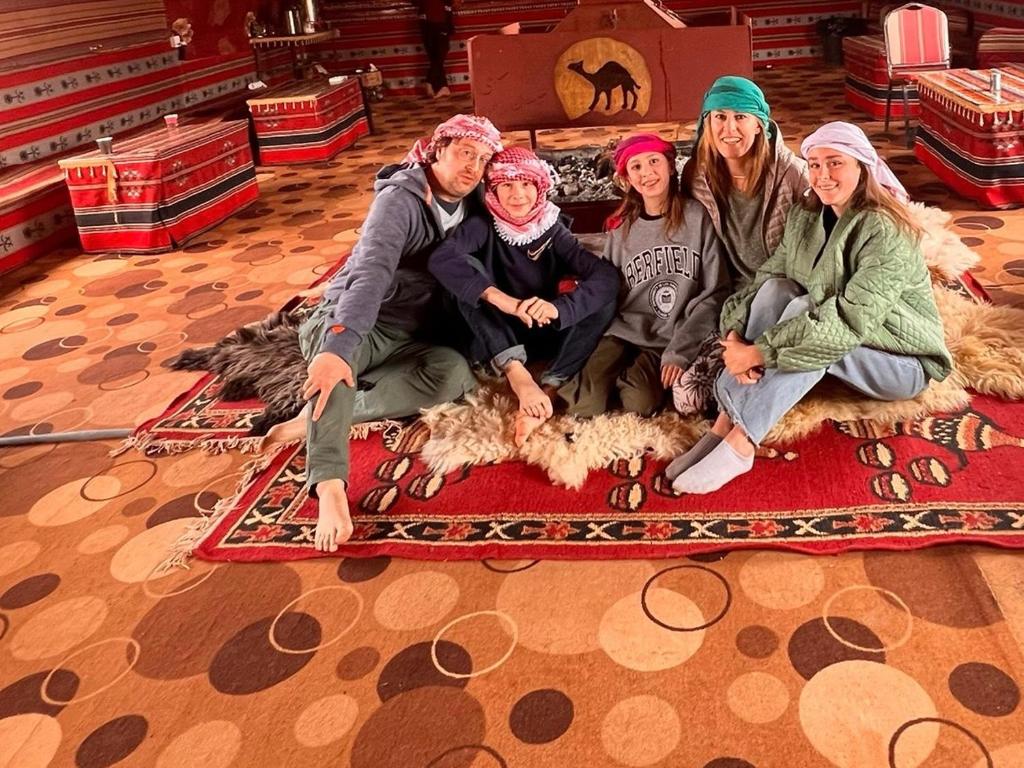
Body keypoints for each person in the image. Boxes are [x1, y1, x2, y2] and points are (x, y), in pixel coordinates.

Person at [668, 122, 953, 494]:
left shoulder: (886, 231)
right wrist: (735, 335)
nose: (822, 175)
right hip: (839, 331)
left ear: (862, 167)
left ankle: (742, 443)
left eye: (835, 163)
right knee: (776, 291)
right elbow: (767, 276)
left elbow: (847, 321)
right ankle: (725, 422)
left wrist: (758, 352)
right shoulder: (806, 214)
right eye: (815, 164)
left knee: (810, 320)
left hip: (901, 361)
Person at [297, 114, 502, 552]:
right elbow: (370, 272)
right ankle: (329, 483)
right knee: (337, 367)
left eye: (483, 159)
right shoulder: (400, 201)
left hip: (413, 330)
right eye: (465, 153)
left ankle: (323, 418)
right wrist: (339, 345)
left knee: (454, 375)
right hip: (361, 318)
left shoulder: (478, 198)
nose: (473, 167)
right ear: (437, 149)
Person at [429, 146, 619, 445]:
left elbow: (606, 278)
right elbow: (441, 259)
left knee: (604, 297)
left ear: (539, 187)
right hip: (495, 332)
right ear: (493, 190)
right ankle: (518, 376)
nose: (518, 195)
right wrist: (504, 301)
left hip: (541, 326)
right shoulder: (482, 225)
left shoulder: (551, 228)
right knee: (463, 274)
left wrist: (558, 309)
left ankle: (551, 386)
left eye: (526, 184)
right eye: (506, 185)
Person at [559, 133, 730, 417]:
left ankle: (623, 382)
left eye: (653, 161)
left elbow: (715, 293)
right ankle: (598, 383)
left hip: (666, 336)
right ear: (627, 177)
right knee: (583, 406)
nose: (647, 173)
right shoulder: (621, 229)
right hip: (621, 331)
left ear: (671, 166)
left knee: (640, 404)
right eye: (636, 167)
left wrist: (681, 351)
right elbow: (607, 291)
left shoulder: (697, 217)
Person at [683, 76, 808, 284]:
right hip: (722, 286)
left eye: (740, 117)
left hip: (781, 286)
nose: (729, 128)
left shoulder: (795, 174)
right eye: (720, 117)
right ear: (708, 124)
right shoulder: (696, 176)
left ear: (759, 126)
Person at [417, 0, 455, 98]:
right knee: (438, 55)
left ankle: (442, 86)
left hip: (429, 22)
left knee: (436, 56)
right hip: (437, 21)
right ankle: (433, 83)